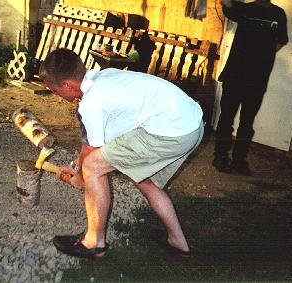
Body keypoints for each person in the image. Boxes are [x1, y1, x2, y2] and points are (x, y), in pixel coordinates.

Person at [39, 48, 204, 258]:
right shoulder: (106, 77)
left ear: (67, 85)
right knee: (143, 178)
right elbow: (93, 142)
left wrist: (82, 176)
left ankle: (94, 243)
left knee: (93, 168)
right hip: (191, 124)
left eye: (54, 90)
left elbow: (92, 155)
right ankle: (178, 242)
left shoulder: (92, 103)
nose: (56, 95)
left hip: (170, 133)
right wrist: (74, 167)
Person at [213, 0, 288, 175]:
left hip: (257, 80)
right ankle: (220, 157)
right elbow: (228, 5)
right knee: (226, 119)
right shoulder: (244, 8)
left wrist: (263, 55)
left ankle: (240, 160)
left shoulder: (278, 14)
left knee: (247, 123)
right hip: (234, 76)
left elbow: (281, 40)